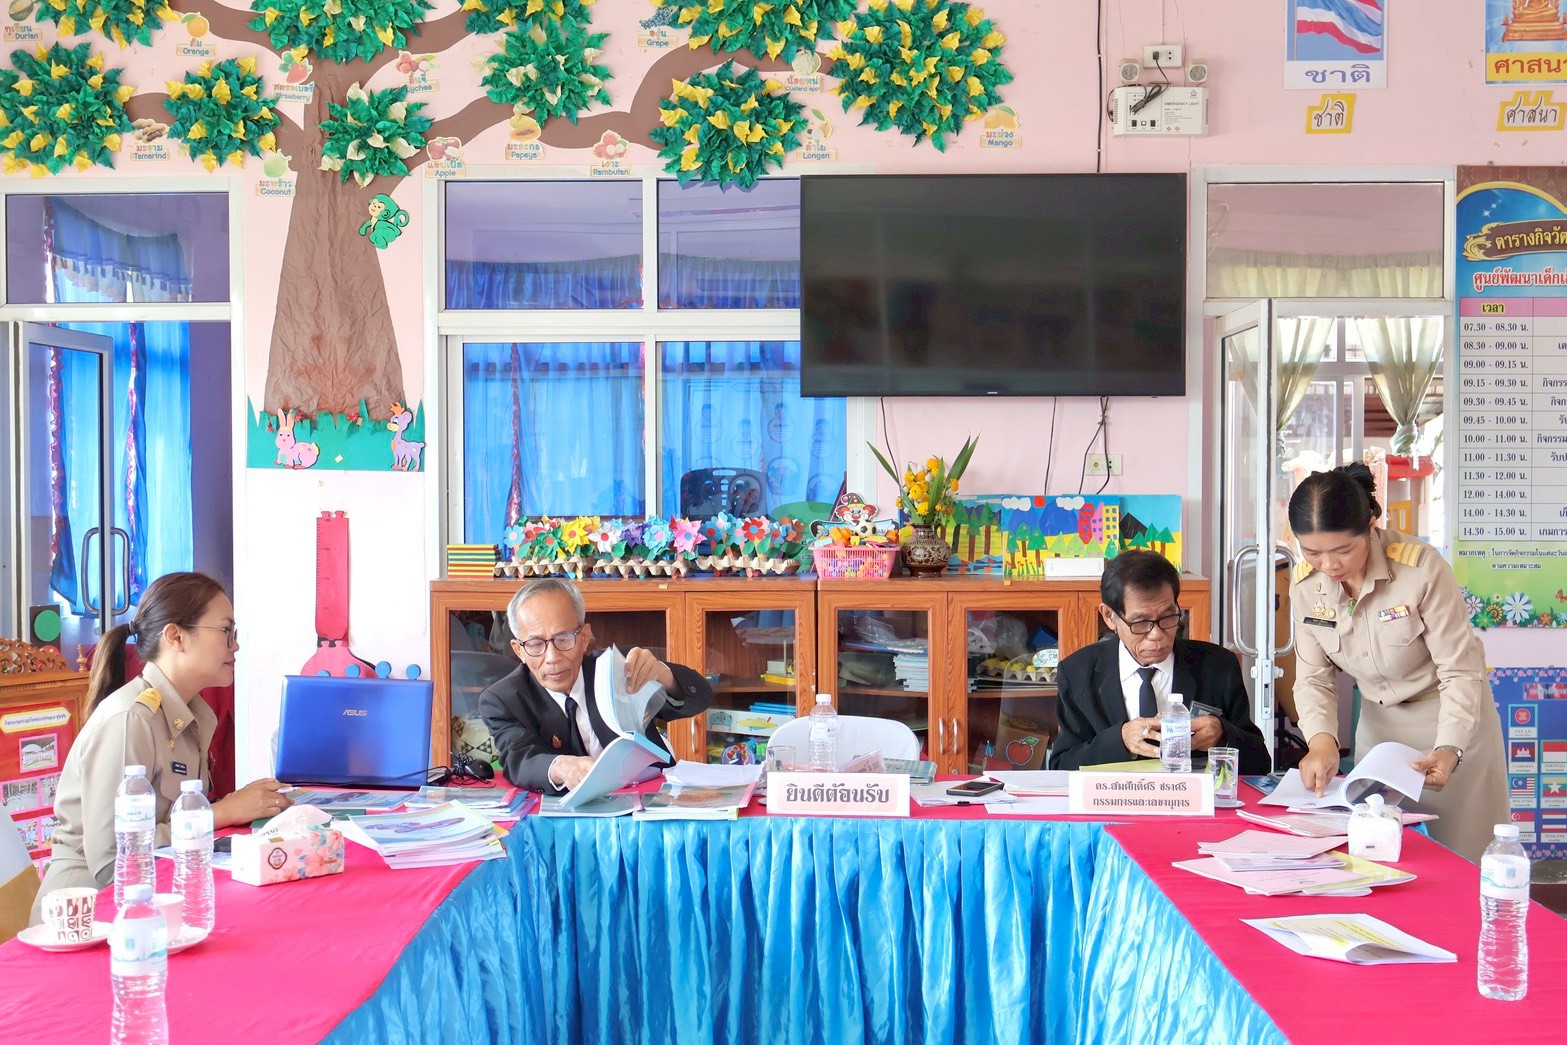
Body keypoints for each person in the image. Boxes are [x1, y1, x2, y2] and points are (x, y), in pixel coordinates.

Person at [31, 573, 293, 923]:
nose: (236, 647)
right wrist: (220, 813)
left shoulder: (192, 714)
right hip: (87, 919)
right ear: (176, 637)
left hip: (154, 905)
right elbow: (113, 863)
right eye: (226, 631)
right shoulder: (131, 720)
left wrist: (231, 808)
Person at [1287, 463, 1508, 863]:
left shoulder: (1419, 569)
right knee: (1381, 853)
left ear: (1371, 526)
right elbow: (1314, 676)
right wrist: (1320, 740)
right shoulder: (1306, 584)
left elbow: (1460, 670)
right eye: (1312, 552)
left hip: (1450, 723)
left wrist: (1449, 747)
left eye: (1343, 550)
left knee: (1461, 856)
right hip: (1381, 730)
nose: (1329, 565)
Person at [479, 577, 713, 793]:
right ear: (519, 650)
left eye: (563, 639)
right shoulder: (503, 700)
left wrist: (663, 675)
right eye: (535, 644)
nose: (552, 657)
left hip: (646, 795)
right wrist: (560, 767)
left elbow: (701, 697)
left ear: (584, 637)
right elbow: (519, 759)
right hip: (565, 811)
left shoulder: (619, 668)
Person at [1050, 551, 1270, 773]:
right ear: (1109, 616)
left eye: (1168, 617)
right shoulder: (1078, 672)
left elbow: (1261, 764)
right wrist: (1120, 740)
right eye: (1140, 622)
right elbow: (1062, 767)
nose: (1156, 635)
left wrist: (1223, 735)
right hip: (1115, 794)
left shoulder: (1218, 666)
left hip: (1190, 793)